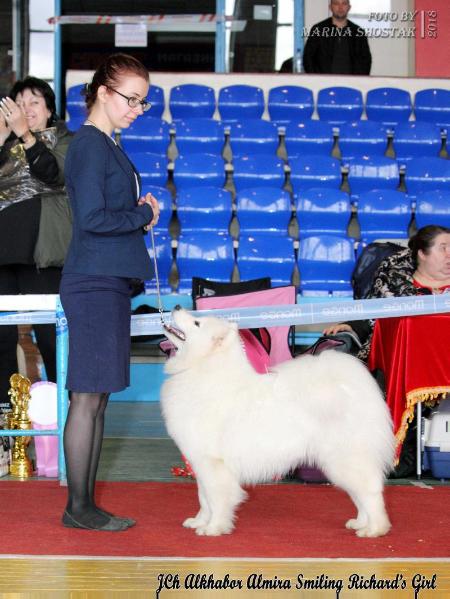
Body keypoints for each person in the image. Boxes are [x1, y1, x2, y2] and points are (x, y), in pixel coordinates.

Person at [60, 53, 160, 531]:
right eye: (131, 99)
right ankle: (78, 507)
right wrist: (143, 215)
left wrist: (136, 209)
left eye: (142, 102)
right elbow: (94, 220)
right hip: (93, 282)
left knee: (96, 399)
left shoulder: (103, 144)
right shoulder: (90, 146)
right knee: (87, 398)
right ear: (103, 91)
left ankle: (84, 504)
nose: (137, 109)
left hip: (105, 282)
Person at [0, 77, 72, 412]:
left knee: (49, 338)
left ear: (49, 109)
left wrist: (26, 137)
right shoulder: (4, 143)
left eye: (34, 102)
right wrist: (3, 139)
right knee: (1, 341)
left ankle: (64, 419)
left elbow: (52, 174)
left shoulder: (66, 141)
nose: (26, 109)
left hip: (42, 257)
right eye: (19, 102)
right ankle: (7, 428)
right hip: (3, 257)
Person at [302, 0, 372, 75]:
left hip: (351, 84)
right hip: (323, 84)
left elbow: (366, 61)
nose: (340, 8)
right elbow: (308, 58)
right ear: (330, 7)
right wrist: (316, 79)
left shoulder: (358, 32)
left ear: (349, 7)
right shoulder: (318, 29)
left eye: (344, 4)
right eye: (336, 4)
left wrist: (358, 81)